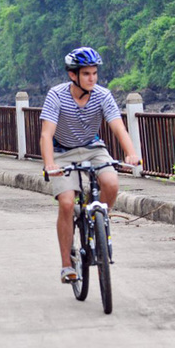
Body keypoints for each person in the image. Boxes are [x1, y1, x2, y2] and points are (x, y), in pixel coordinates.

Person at [39, 47, 139, 284]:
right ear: (73, 75)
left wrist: (131, 153)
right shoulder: (56, 95)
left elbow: (117, 126)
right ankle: (66, 265)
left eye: (94, 73)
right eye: (86, 74)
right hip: (62, 152)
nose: (92, 78)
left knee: (111, 183)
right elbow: (46, 134)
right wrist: (49, 163)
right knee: (66, 202)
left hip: (93, 148)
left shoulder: (103, 95)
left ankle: (100, 223)